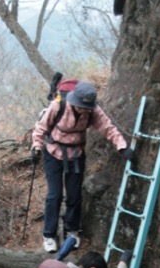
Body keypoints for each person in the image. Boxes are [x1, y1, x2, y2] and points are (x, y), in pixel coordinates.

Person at [31, 81, 134, 253]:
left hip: (76, 154)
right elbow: (41, 127)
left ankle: (71, 231)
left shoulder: (93, 111)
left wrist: (122, 147)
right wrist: (35, 146)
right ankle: (49, 235)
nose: (84, 110)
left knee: (74, 195)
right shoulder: (59, 106)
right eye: (81, 106)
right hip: (53, 152)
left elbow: (108, 128)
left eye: (87, 107)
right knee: (54, 195)